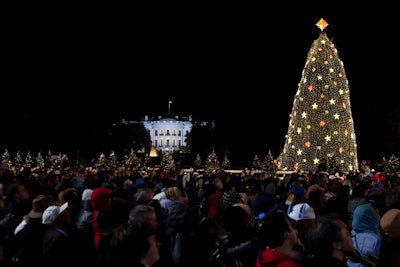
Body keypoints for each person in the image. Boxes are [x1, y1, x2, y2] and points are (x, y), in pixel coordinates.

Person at [347, 203, 381, 267]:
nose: (379, 216)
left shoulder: (352, 233)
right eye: (376, 213)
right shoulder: (375, 240)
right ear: (370, 217)